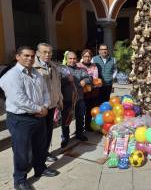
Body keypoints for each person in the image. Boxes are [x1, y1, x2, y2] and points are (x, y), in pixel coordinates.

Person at [0, 46, 59, 190]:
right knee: (22, 151)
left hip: (39, 117)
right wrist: (40, 109)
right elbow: (19, 99)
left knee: (40, 146)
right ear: (17, 57)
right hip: (21, 119)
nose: (30, 59)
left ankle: (40, 168)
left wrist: (45, 106)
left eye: (32, 56)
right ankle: (19, 180)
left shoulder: (36, 73)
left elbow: (45, 91)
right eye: (26, 56)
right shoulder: (11, 75)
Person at [33, 43, 63, 162]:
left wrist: (60, 99)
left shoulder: (53, 66)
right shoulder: (33, 67)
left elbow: (57, 85)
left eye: (49, 52)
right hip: (40, 107)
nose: (47, 54)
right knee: (40, 134)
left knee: (48, 131)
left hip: (51, 104)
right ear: (38, 53)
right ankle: (38, 156)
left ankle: (45, 153)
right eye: (44, 52)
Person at [59, 51, 92, 148]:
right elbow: (57, 83)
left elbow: (90, 78)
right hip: (67, 100)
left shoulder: (81, 69)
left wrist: (85, 80)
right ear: (67, 59)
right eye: (70, 58)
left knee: (80, 117)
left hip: (79, 99)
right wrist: (65, 80)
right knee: (66, 120)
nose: (72, 60)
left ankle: (79, 134)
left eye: (74, 59)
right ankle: (65, 137)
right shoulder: (62, 70)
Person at [77, 49, 103, 131]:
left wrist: (98, 83)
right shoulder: (78, 66)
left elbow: (96, 78)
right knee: (80, 112)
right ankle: (79, 129)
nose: (87, 58)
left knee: (89, 110)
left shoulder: (94, 66)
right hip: (81, 93)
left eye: (89, 56)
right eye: (85, 56)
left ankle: (88, 126)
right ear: (82, 57)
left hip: (93, 92)